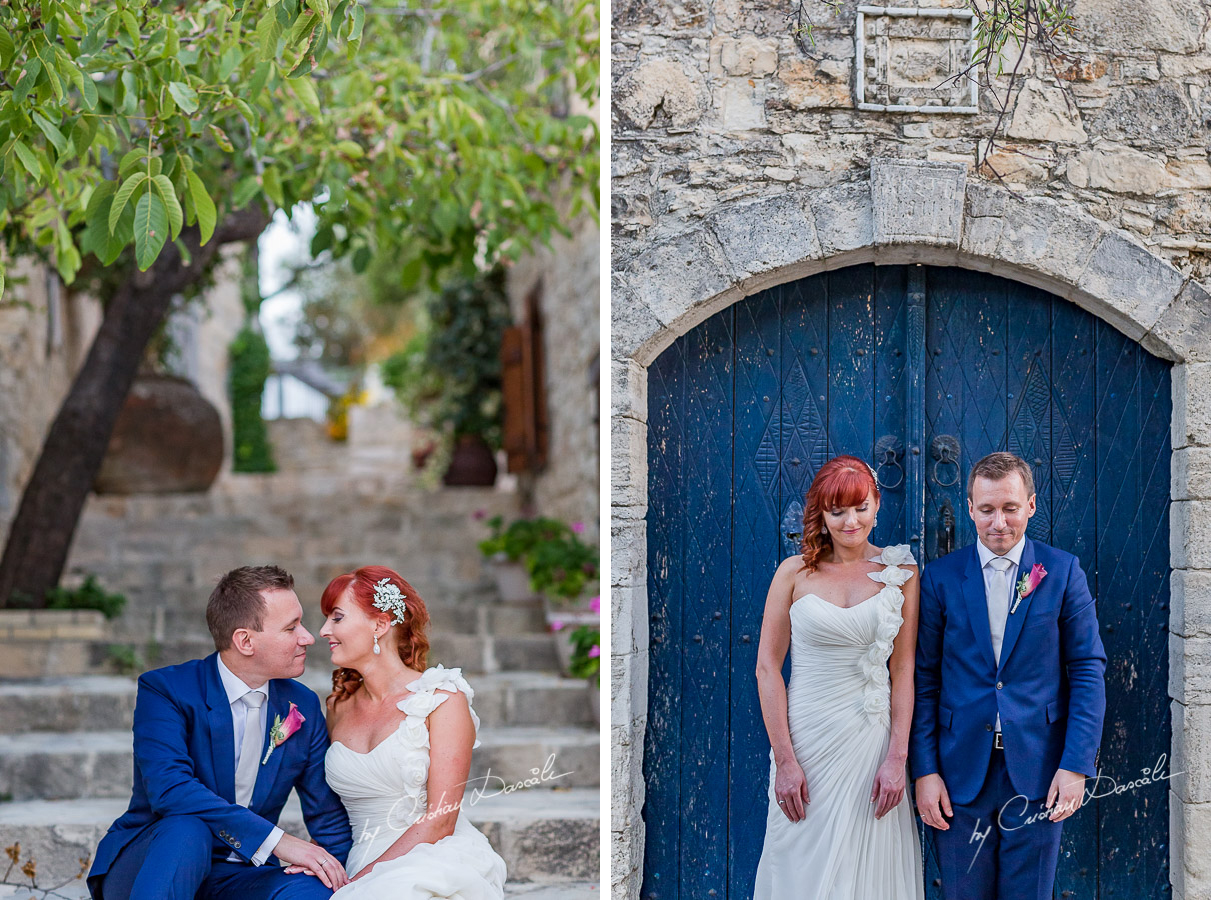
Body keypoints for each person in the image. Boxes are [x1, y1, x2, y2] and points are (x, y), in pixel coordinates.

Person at [88, 565, 353, 900]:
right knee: (188, 828)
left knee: (312, 890)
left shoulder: (301, 705)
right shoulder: (167, 690)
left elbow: (327, 817)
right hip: (156, 864)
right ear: (244, 641)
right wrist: (279, 841)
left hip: (240, 874)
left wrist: (340, 871)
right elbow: (170, 790)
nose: (308, 637)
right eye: (291, 628)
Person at [910, 451, 1107, 899]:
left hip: (1039, 773)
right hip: (959, 776)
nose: (999, 522)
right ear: (970, 508)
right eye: (987, 510)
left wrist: (1076, 764)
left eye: (1010, 508)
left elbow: (1088, 670)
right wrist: (925, 771)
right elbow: (924, 680)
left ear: (1031, 506)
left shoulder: (1060, 572)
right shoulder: (940, 579)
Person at [753, 455, 924, 899]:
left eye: (861, 507)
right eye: (837, 511)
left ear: (877, 504)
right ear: (821, 514)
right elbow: (768, 667)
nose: (851, 521)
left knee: (867, 877)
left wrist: (896, 758)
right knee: (799, 869)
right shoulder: (793, 574)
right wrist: (785, 761)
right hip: (806, 744)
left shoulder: (901, 573)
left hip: (870, 744)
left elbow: (903, 669)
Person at [297, 565, 506, 899]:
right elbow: (329, 809)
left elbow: (440, 821)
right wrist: (316, 855)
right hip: (357, 860)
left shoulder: (442, 699)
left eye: (336, 618)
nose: (323, 631)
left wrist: (364, 880)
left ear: (380, 624)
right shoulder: (338, 707)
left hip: (431, 855)